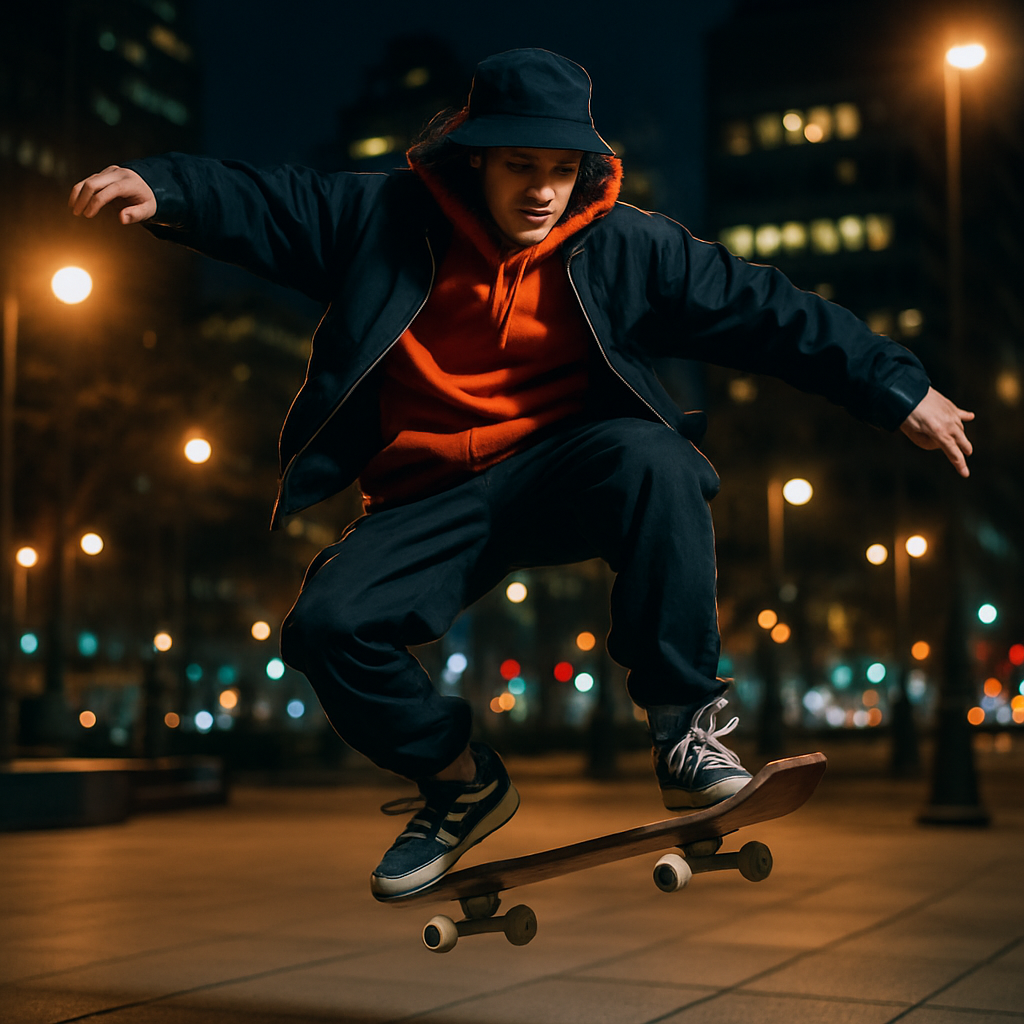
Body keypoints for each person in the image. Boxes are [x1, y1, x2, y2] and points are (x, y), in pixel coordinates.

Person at [69, 48, 973, 901]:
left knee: (658, 457)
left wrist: (897, 387)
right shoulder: (383, 220)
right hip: (427, 497)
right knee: (326, 627)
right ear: (475, 161)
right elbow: (273, 202)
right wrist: (168, 185)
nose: (543, 192)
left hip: (560, 471)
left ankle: (685, 728)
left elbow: (768, 310)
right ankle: (459, 784)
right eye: (521, 168)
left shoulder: (627, 246)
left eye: (562, 170)